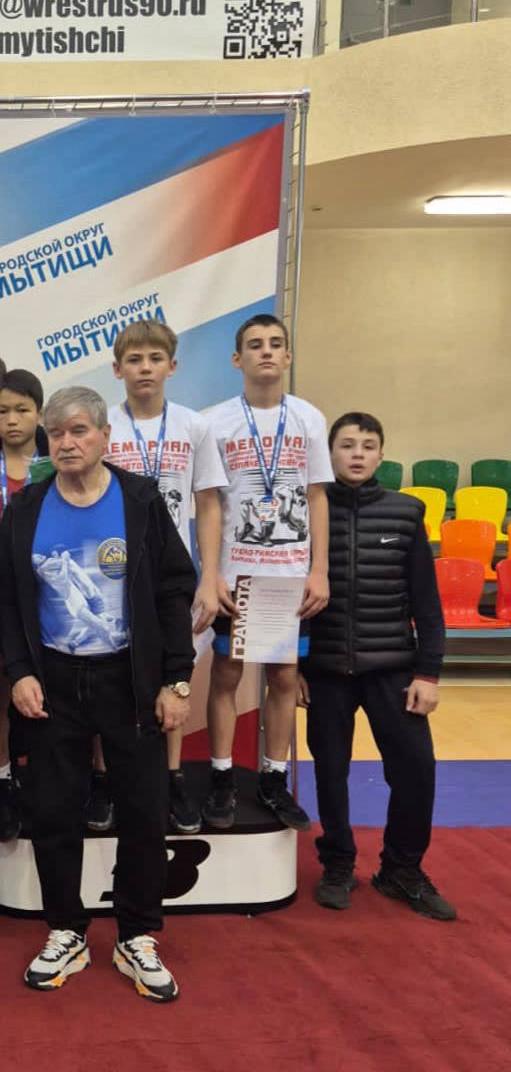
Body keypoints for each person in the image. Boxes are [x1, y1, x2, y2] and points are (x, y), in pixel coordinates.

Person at [0, 386, 196, 999]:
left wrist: (177, 678)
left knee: (143, 811)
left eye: (79, 430)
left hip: (130, 680)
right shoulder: (27, 507)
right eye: (56, 433)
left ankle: (137, 935)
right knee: (54, 812)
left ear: (106, 436)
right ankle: (66, 931)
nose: (66, 442)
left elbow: (174, 590)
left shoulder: (140, 500)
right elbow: (9, 599)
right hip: (53, 682)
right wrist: (18, 672)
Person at [298, 412, 456, 919]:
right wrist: (294, 666)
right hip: (325, 670)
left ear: (381, 456)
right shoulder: (307, 511)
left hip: (393, 668)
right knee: (330, 773)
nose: (358, 454)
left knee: (416, 770)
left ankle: (401, 869)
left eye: (368, 446)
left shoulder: (406, 513)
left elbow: (427, 604)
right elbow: (288, 596)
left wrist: (428, 674)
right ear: (330, 453)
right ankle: (338, 863)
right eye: (347, 445)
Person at [204, 314, 332, 831]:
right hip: (237, 573)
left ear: (288, 356)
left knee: (283, 677)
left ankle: (274, 779)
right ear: (238, 359)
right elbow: (208, 504)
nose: (266, 352)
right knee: (227, 675)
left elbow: (317, 496)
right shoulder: (215, 422)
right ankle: (220, 776)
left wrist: (319, 569)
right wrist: (210, 573)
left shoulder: (309, 418)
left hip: (289, 575)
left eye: (276, 344)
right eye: (255, 345)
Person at [101, 319, 228, 834]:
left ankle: (173, 777)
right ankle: (103, 779)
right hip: (115, 571)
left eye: (155, 358)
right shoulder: (104, 425)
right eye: (134, 360)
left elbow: (208, 504)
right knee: (109, 677)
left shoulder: (194, 426)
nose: (145, 368)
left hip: (173, 574)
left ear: (172, 366)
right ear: (117, 370)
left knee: (176, 674)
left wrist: (209, 576)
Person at [0, 368, 48, 841]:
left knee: (50, 688)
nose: (12, 419)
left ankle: (51, 777)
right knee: (0, 685)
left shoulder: (55, 464)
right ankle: (0, 778)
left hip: (46, 593)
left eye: (22, 410)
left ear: (39, 414)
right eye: (2, 411)